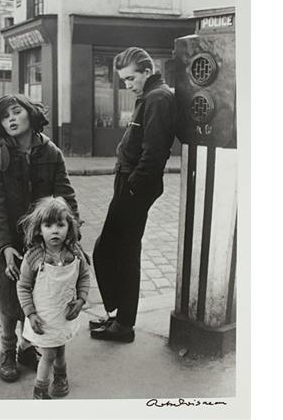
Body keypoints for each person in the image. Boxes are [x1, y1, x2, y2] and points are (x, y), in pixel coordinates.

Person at [0, 94, 80, 383]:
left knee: (35, 295)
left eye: (15, 112)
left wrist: (73, 236)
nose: (10, 119)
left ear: (30, 114)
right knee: (9, 298)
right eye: (3, 116)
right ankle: (7, 350)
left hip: (39, 240)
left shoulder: (51, 153)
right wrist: (6, 246)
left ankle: (26, 347)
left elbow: (66, 196)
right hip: (3, 241)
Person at [90, 47, 177, 343]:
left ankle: (124, 324)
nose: (127, 85)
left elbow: (155, 153)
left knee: (118, 253)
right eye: (124, 80)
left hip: (134, 185)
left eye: (130, 79)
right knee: (113, 251)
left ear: (147, 71)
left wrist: (132, 187)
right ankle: (119, 317)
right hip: (129, 181)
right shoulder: (151, 97)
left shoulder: (158, 98)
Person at [17, 196, 90, 399]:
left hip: (64, 314)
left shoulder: (74, 253)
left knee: (60, 347)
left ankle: (61, 377)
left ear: (69, 226)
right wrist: (30, 314)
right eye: (48, 225)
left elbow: (84, 276)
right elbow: (23, 286)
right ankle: (40, 391)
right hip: (43, 317)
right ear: (40, 229)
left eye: (60, 224)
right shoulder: (34, 257)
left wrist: (81, 300)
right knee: (48, 353)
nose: (55, 230)